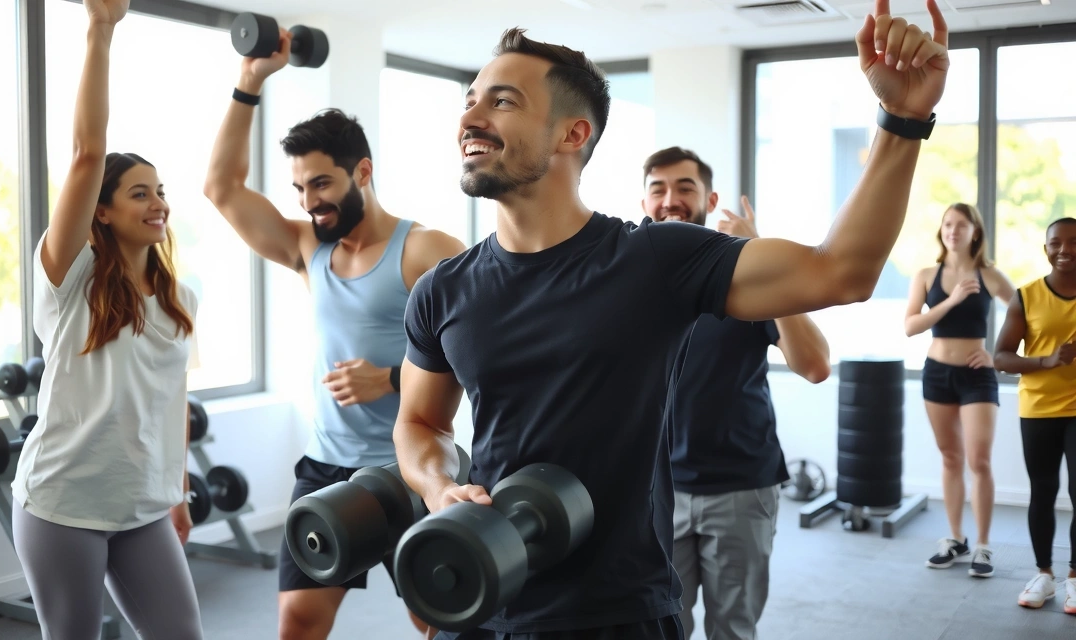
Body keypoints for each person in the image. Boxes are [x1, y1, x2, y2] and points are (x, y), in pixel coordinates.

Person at [394, 1, 950, 637]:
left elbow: (839, 272)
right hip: (487, 590)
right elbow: (419, 423)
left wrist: (902, 120)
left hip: (618, 608)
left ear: (572, 134)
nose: (470, 115)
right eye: (469, 99)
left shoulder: (653, 259)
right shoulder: (443, 290)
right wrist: (439, 490)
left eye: (502, 102)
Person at [202, 27, 466, 640]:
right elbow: (220, 189)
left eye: (321, 183)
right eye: (299, 188)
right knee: (298, 623)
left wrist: (394, 377)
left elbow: (485, 353)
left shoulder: (426, 250)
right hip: (325, 470)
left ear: (362, 171)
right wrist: (250, 82)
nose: (309, 201)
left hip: (409, 468)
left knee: (439, 617)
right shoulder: (305, 249)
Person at [8, 1, 203, 638]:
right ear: (103, 212)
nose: (158, 203)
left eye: (161, 190)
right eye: (139, 193)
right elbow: (88, 153)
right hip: (64, 501)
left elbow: (171, 396)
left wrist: (176, 488)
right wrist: (101, 28)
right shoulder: (71, 277)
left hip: (144, 505)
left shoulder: (180, 298)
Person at [641, 147, 831, 640]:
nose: (671, 200)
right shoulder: (631, 281)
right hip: (657, 490)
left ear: (710, 198)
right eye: (658, 188)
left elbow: (814, 365)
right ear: (644, 200)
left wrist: (760, 252)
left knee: (733, 631)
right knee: (662, 629)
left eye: (685, 187)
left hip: (741, 489)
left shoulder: (741, 276)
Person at [904, 203, 1015, 577]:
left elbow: (1024, 316)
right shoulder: (925, 275)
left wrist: (997, 356)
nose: (953, 230)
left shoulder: (989, 275)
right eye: (947, 224)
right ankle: (955, 539)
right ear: (942, 230)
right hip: (936, 373)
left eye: (961, 225)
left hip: (977, 375)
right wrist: (951, 300)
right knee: (950, 458)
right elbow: (911, 326)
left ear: (975, 232)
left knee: (978, 460)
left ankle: (982, 547)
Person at [993, 217, 1076, 614]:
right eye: (1056, 243)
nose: (1065, 250)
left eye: (1074, 242)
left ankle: (1075, 578)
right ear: (1046, 249)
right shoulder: (1025, 296)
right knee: (1042, 492)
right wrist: (1047, 360)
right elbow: (1001, 357)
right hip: (1039, 409)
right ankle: (1044, 574)